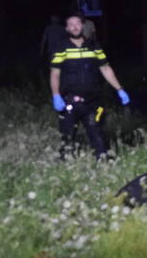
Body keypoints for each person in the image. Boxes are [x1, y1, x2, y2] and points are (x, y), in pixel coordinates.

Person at [49, 14, 130, 159]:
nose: (75, 27)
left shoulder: (93, 46)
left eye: (77, 24)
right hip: (69, 100)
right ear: (67, 28)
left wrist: (120, 89)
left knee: (97, 134)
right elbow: (55, 73)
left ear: (82, 26)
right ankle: (66, 163)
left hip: (92, 101)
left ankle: (103, 161)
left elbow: (105, 68)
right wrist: (56, 95)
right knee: (67, 137)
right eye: (71, 25)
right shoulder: (61, 47)